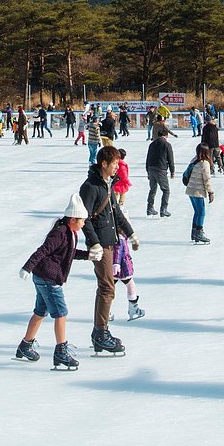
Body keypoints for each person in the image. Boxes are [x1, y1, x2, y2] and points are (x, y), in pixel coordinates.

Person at [16, 194, 90, 369]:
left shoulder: (69, 232)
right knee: (61, 314)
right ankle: (61, 351)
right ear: (73, 219)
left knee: (40, 311)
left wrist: (89, 255)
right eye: (82, 221)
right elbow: (43, 250)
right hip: (48, 278)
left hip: (43, 277)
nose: (84, 224)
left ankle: (25, 345)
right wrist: (27, 267)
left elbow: (69, 253)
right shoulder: (60, 233)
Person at [80, 145, 136, 355]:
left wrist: (130, 233)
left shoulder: (107, 184)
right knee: (107, 287)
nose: (117, 168)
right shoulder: (91, 186)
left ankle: (100, 332)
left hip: (110, 241)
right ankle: (100, 333)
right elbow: (82, 218)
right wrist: (93, 242)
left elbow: (117, 212)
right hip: (100, 245)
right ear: (104, 163)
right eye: (114, 164)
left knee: (106, 287)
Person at [184, 143, 216, 245]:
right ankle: (199, 233)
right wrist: (211, 192)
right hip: (197, 191)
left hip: (190, 189)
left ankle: (194, 233)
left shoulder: (194, 160)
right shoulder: (204, 163)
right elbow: (207, 179)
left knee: (197, 212)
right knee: (201, 212)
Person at [145, 125, 175, 217]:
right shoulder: (167, 144)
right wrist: (172, 171)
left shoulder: (152, 144)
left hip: (151, 169)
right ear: (166, 136)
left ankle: (150, 208)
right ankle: (163, 209)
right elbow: (170, 159)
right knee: (166, 190)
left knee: (152, 189)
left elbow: (148, 158)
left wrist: (148, 171)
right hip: (161, 170)